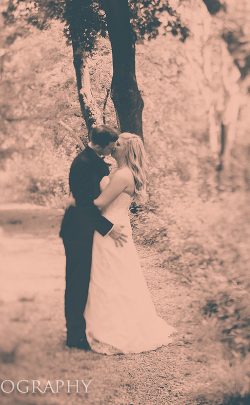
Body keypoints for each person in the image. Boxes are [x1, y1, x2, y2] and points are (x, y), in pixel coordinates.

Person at [70, 132, 176, 354]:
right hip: (116, 227)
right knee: (113, 278)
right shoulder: (120, 173)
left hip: (110, 230)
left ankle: (114, 329)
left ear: (127, 150)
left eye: (118, 144)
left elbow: (99, 204)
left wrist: (75, 199)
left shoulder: (122, 175)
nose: (113, 146)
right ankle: (105, 324)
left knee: (108, 279)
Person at [59, 125, 127, 350]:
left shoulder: (96, 159)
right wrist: (108, 227)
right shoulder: (82, 164)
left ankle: (89, 328)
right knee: (77, 282)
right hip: (78, 230)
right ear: (98, 145)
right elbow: (85, 205)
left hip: (89, 229)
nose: (113, 149)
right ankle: (75, 336)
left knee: (90, 281)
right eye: (110, 147)